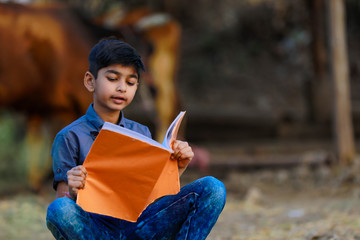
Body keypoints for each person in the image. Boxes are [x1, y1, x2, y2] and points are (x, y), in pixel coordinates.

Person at [46, 38, 226, 240]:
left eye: (130, 82)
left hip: (141, 226)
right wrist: (73, 189)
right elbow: (63, 204)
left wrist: (177, 166)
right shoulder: (69, 137)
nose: (122, 87)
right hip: (97, 230)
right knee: (59, 209)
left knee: (213, 188)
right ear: (90, 81)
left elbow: (155, 198)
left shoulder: (140, 132)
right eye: (113, 79)